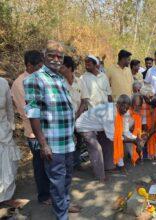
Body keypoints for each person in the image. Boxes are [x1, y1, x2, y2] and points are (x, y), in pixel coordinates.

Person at [24, 40, 80, 220]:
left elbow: (64, 111)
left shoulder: (59, 79)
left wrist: (72, 136)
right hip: (52, 146)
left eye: (59, 56)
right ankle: (61, 216)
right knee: (57, 183)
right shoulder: (35, 79)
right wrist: (43, 144)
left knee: (66, 180)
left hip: (68, 142)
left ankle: (63, 206)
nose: (56, 59)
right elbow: (33, 113)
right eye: (51, 55)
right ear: (44, 55)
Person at [11, 50, 49, 205]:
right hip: (35, 133)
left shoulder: (38, 78)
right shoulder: (20, 84)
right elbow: (29, 112)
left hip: (46, 129)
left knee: (48, 164)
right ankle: (44, 196)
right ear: (28, 65)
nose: (42, 69)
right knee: (40, 166)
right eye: (39, 66)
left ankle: (50, 193)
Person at [75, 95, 143, 181]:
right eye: (123, 107)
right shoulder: (109, 114)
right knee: (96, 149)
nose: (125, 110)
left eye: (127, 108)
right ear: (117, 104)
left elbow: (125, 131)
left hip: (99, 126)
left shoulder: (124, 112)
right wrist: (134, 141)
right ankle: (100, 175)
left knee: (108, 143)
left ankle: (108, 166)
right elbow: (113, 137)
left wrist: (136, 139)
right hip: (84, 125)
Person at [60, 56, 89, 168]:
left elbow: (84, 100)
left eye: (62, 67)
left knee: (78, 141)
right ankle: (67, 164)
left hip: (78, 117)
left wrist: (77, 115)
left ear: (69, 68)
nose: (59, 69)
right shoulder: (59, 83)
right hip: (64, 120)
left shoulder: (80, 82)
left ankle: (76, 163)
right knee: (66, 143)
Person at [0, 77, 21, 208]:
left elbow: (9, 108)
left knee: (9, 164)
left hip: (3, 130)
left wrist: (11, 126)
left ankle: (5, 197)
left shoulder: (2, 83)